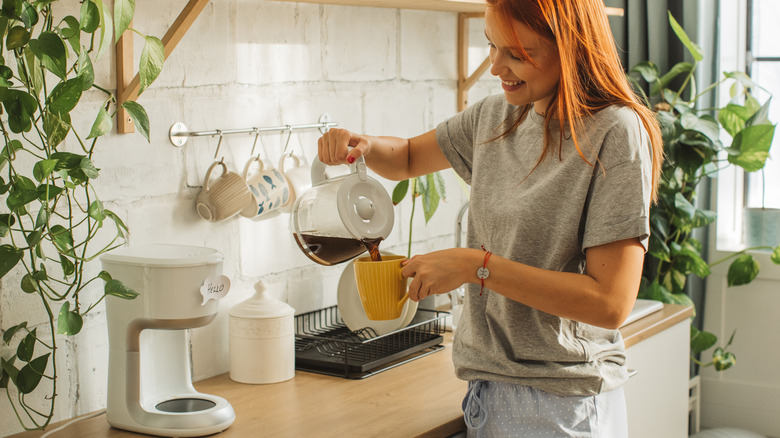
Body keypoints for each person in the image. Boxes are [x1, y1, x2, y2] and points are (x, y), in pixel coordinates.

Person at [318, 0, 663, 436]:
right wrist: (361, 142)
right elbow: (405, 157)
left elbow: (610, 304)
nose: (496, 66)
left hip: (559, 404)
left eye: (516, 53)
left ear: (571, 47)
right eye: (491, 46)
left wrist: (474, 267)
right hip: (489, 393)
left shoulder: (615, 131)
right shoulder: (496, 116)